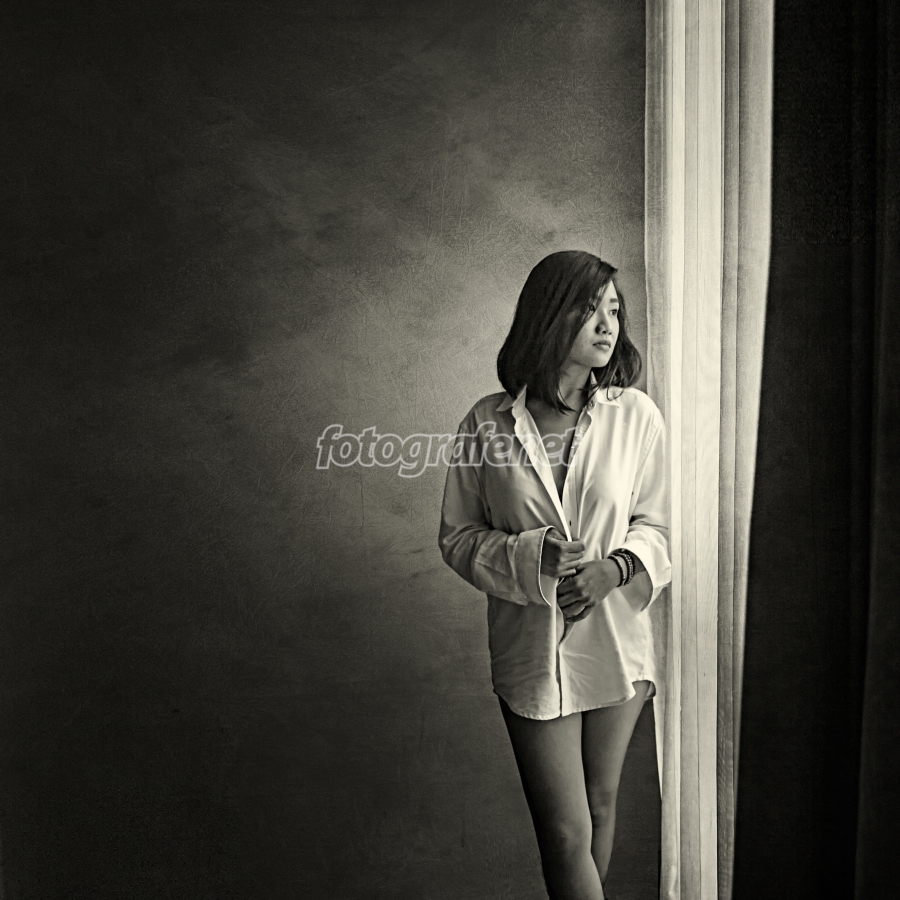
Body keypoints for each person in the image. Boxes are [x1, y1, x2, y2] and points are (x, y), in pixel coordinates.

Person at [438, 250, 671, 900]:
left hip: (616, 642)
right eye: (590, 309)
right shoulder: (486, 424)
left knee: (599, 806)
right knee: (566, 833)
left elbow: (660, 524)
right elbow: (457, 537)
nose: (607, 325)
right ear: (548, 315)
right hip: (531, 650)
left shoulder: (635, 415)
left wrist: (615, 569)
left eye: (614, 310)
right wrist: (531, 556)